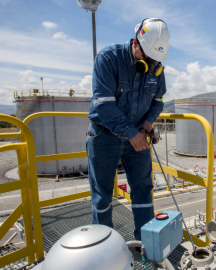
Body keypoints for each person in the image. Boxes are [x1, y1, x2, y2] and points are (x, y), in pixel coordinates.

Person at [86, 18, 170, 240]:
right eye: (147, 57)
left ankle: (146, 244)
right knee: (102, 196)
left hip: (139, 137)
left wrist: (148, 123)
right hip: (105, 136)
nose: (150, 64)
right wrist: (131, 133)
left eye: (155, 60)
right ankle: (104, 248)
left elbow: (158, 101)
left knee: (144, 190)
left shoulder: (156, 70)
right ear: (135, 43)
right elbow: (103, 105)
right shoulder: (108, 59)